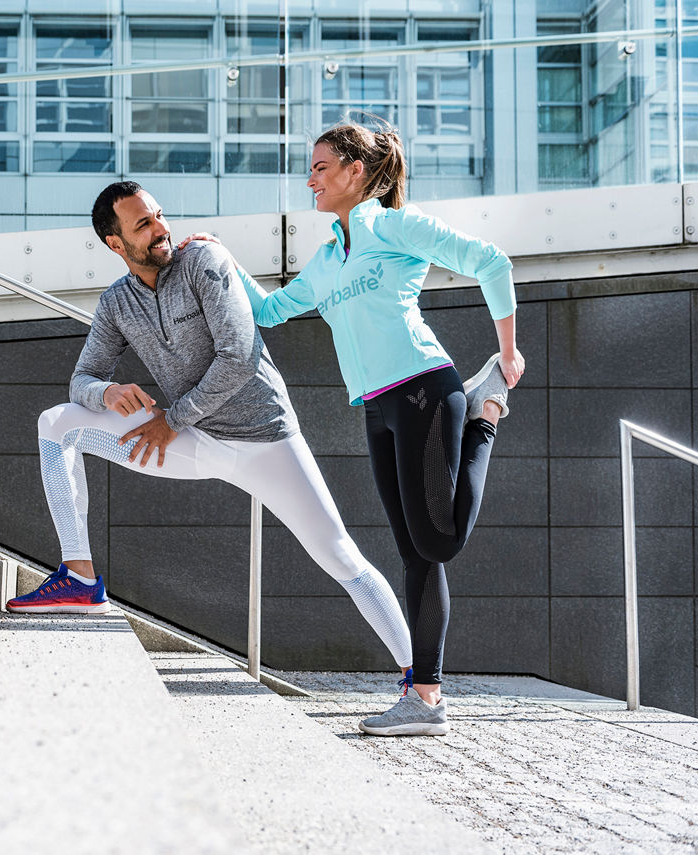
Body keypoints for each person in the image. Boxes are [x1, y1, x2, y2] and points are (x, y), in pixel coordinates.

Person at [7, 180, 415, 683]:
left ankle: (420, 679)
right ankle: (79, 577)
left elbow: (239, 356)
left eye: (159, 215)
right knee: (57, 424)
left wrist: (170, 420)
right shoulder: (116, 303)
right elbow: (81, 379)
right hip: (197, 443)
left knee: (339, 554)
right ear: (116, 244)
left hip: (266, 441)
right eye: (143, 224)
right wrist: (105, 393)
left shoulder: (203, 263)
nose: (161, 229)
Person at [221, 123, 523, 736]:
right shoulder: (330, 255)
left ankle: (485, 409)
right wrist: (218, 260)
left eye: (322, 167)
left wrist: (508, 352)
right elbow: (273, 310)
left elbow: (489, 261)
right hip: (377, 406)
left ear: (356, 171)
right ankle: (426, 699)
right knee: (415, 552)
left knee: (438, 544)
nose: (311, 179)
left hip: (422, 388)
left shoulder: (393, 225)